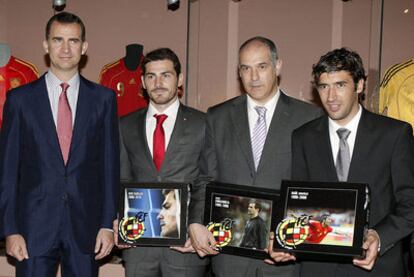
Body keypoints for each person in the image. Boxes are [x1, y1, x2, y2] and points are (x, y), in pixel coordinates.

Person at [188, 36, 322, 277]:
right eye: (245, 68)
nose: (254, 77)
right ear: (238, 72)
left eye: (262, 66)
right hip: (230, 257)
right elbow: (206, 176)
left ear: (278, 66)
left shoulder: (308, 118)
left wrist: (296, 241)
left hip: (282, 256)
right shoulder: (218, 117)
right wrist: (196, 221)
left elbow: (314, 187)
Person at [0, 12, 119, 276]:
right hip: (32, 230)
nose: (65, 48)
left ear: (84, 47)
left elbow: (110, 167)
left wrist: (107, 225)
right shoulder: (19, 100)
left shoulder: (104, 99)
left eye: (73, 41)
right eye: (58, 40)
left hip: (86, 229)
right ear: (46, 45)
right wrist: (10, 229)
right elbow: (7, 171)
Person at [286, 48, 414, 276]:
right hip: (319, 268)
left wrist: (379, 235)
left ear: (360, 85)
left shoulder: (395, 134)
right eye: (324, 87)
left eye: (340, 85)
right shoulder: (303, 137)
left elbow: (410, 205)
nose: (330, 97)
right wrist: (283, 236)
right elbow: (299, 203)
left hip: (375, 267)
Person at [117, 47, 209, 277]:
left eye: (166, 75)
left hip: (185, 245)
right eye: (151, 76)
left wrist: (197, 224)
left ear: (180, 79)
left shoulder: (203, 123)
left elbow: (206, 179)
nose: (158, 83)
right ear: (143, 82)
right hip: (138, 245)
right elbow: (123, 179)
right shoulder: (125, 125)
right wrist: (117, 220)